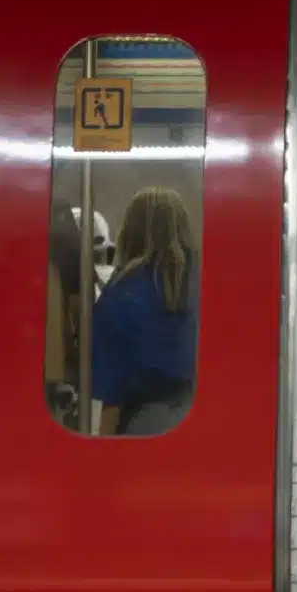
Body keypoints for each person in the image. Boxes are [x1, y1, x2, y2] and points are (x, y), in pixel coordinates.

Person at [92, 186, 199, 436]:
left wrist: (102, 448)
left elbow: (113, 389)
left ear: (130, 231)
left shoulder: (122, 291)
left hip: (146, 423)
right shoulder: (208, 282)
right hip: (205, 415)